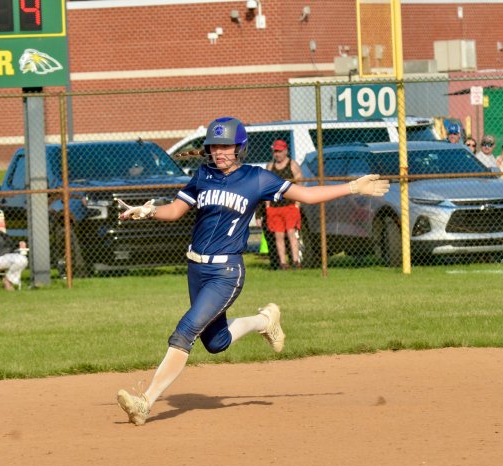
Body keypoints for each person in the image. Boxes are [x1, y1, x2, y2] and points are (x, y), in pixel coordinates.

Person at [114, 116, 389, 426]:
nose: (219, 152)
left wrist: (353, 186)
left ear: (240, 148)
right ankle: (264, 320)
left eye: (226, 146)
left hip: (226, 273)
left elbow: (308, 196)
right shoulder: (202, 175)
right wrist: (148, 211)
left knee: (185, 331)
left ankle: (145, 402)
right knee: (214, 343)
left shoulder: (257, 178)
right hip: (196, 269)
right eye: (214, 146)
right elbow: (175, 211)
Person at [265, 139, 303, 270]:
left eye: (279, 151)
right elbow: (267, 187)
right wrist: (267, 205)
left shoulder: (292, 165)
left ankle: (296, 261)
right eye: (275, 151)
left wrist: (297, 204)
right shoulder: (270, 166)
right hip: (275, 207)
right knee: (278, 236)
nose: (277, 154)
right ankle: (283, 263)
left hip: (290, 205)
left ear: (286, 151)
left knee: (291, 234)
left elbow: (299, 183)